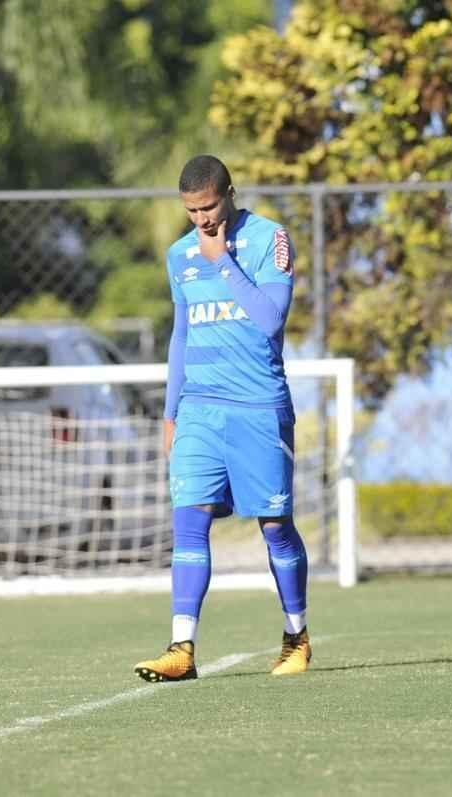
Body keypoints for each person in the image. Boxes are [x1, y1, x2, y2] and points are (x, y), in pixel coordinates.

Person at [133, 155, 311, 681]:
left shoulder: (269, 240)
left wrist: (223, 262)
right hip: (199, 413)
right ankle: (181, 648)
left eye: (208, 207)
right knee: (189, 521)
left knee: (276, 526)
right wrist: (171, 413)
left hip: (258, 409)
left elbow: (270, 321)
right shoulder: (179, 256)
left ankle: (296, 636)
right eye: (191, 212)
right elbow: (181, 336)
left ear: (229, 194)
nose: (201, 220)